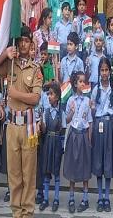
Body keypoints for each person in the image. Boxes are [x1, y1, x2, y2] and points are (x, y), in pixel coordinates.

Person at [0, 26, 42, 218]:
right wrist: (4, 54)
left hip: (28, 127)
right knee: (14, 175)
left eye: (27, 41)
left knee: (28, 174)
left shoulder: (35, 69)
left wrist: (15, 94)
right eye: (21, 41)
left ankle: (27, 213)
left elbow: (35, 98)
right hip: (11, 126)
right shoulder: (10, 65)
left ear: (31, 43)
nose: (23, 44)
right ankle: (16, 213)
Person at [90, 57, 113, 213]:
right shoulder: (96, 89)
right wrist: (92, 107)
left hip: (109, 126)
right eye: (102, 70)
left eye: (107, 69)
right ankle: (99, 197)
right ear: (99, 72)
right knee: (99, 162)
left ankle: (107, 197)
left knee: (108, 161)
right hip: (98, 125)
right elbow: (93, 110)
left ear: (110, 71)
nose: (104, 72)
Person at [63, 71, 92, 214]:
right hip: (73, 135)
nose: (83, 84)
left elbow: (90, 121)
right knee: (73, 166)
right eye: (81, 82)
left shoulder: (87, 101)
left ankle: (85, 199)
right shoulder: (70, 101)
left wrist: (89, 139)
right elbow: (67, 120)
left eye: (84, 82)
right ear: (75, 84)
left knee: (85, 167)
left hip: (83, 136)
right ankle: (71, 198)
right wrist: (71, 112)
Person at [38, 82, 65, 212]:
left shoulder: (61, 112)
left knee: (56, 172)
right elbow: (43, 130)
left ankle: (56, 199)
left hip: (56, 143)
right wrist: (40, 124)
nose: (49, 96)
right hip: (48, 142)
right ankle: (45, 199)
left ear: (58, 97)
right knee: (47, 172)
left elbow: (63, 130)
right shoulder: (46, 111)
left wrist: (62, 146)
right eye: (48, 94)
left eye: (52, 94)